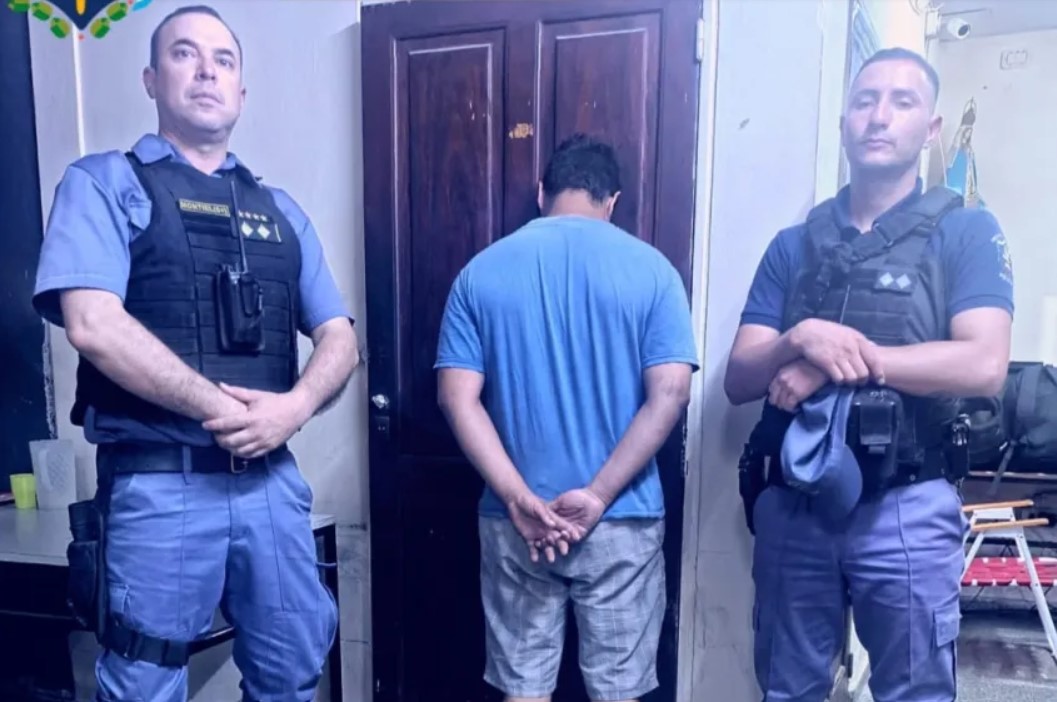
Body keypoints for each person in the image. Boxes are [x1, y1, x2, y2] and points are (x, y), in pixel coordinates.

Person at [32, 6, 359, 701]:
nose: (207, 71)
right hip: (159, 483)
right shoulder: (103, 184)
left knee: (294, 673)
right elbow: (92, 324)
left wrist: (294, 408)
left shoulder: (280, 211)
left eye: (223, 59)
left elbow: (340, 336)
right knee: (145, 679)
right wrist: (224, 410)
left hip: (271, 480)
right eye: (184, 54)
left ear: (241, 90)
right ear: (151, 80)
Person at [725, 47, 1014, 701]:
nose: (879, 116)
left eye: (901, 102)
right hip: (795, 504)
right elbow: (739, 378)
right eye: (864, 100)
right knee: (785, 691)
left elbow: (983, 364)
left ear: (930, 129)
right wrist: (797, 340)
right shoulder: (792, 245)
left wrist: (838, 363)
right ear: (843, 122)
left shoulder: (966, 231)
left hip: (906, 506)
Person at [434, 134, 699, 702]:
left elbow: (456, 398)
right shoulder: (654, 272)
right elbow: (672, 392)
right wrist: (598, 495)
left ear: (542, 193)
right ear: (612, 201)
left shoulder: (480, 273)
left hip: (518, 521)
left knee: (523, 689)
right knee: (618, 692)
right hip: (621, 517)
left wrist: (516, 497)